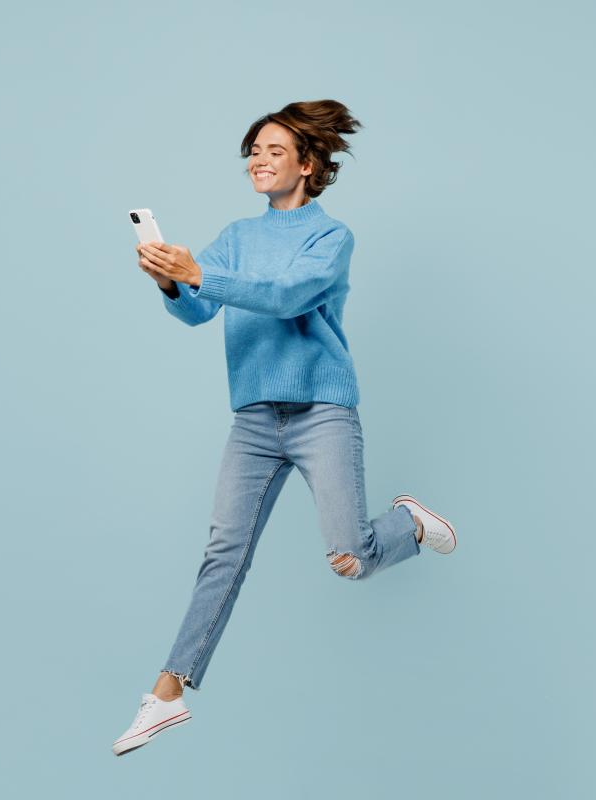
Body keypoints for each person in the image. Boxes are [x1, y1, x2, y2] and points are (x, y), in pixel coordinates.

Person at [111, 100, 458, 757]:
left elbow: (286, 297)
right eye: (253, 151)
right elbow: (199, 312)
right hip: (252, 419)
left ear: (307, 164)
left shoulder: (331, 238)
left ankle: (408, 524)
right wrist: (170, 285)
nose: (259, 161)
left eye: (273, 151)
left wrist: (198, 273)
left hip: (321, 413)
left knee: (352, 559)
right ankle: (167, 692)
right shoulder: (236, 236)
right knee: (224, 551)